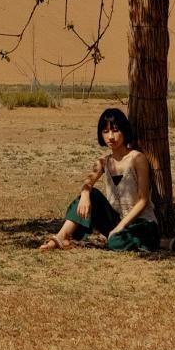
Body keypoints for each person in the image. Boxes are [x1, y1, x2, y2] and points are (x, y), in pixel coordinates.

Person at [39, 106, 163, 253]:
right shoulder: (104, 162)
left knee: (115, 242)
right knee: (91, 195)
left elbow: (143, 200)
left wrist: (119, 228)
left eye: (115, 130)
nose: (110, 136)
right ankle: (62, 237)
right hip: (117, 220)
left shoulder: (137, 158)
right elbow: (87, 183)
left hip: (142, 223)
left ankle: (160, 242)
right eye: (105, 132)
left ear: (124, 130)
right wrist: (85, 195)